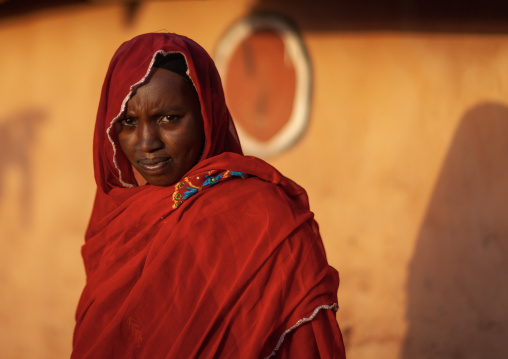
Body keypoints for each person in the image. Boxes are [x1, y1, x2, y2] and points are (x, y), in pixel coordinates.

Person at [72, 32, 346, 358]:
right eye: (128, 122)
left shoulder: (265, 218)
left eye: (169, 118)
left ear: (207, 115)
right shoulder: (118, 227)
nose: (146, 142)